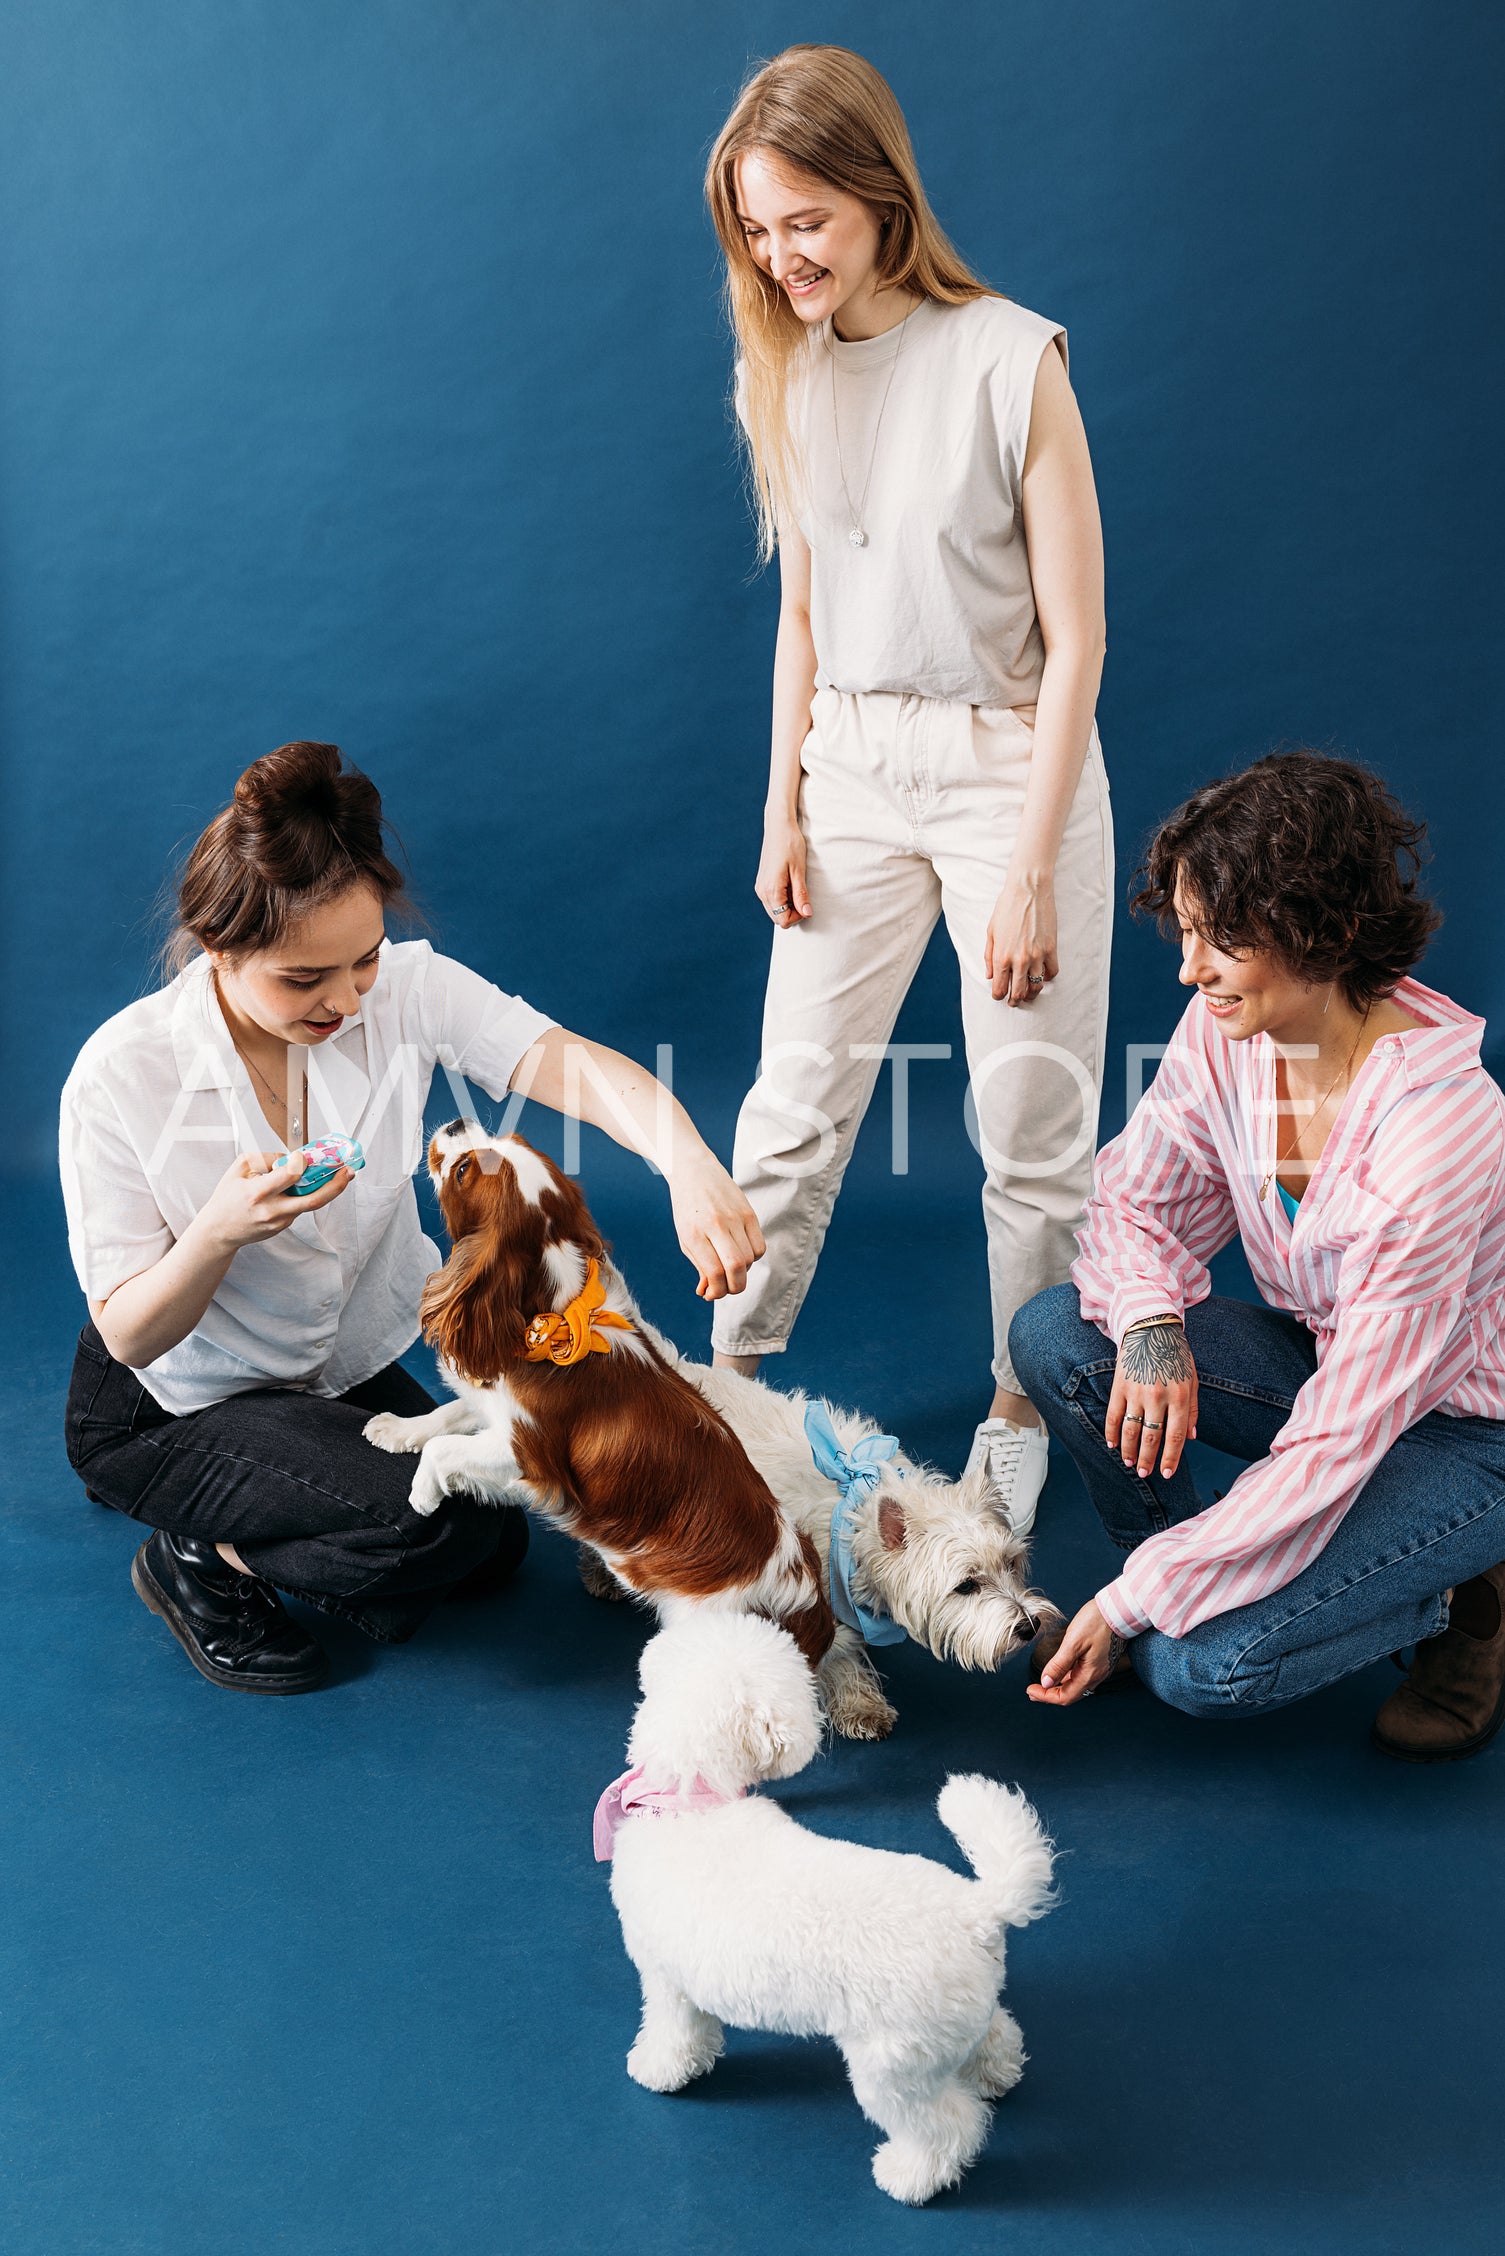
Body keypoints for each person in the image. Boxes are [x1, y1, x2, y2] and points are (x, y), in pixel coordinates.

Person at [60, 740, 763, 1695]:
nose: (345, 1001)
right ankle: (195, 1556)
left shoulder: (407, 990)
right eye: (303, 981)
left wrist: (686, 1161)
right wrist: (218, 1232)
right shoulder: (120, 1073)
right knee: (423, 1524)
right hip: (168, 1393)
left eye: (362, 962)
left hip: (321, 1363)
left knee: (494, 1541)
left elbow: (573, 1063)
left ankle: (257, 1507)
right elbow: (134, 1331)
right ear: (220, 952)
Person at [702, 45, 1114, 1537]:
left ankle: (1020, 1405)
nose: (781, 254)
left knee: (1028, 1119)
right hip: (849, 766)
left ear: (879, 196)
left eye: (804, 218)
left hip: (1011, 760)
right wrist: (782, 808)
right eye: (756, 227)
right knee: (793, 1105)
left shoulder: (1014, 359)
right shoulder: (790, 370)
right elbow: (802, 615)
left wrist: (1025, 862)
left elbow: (1079, 639)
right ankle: (731, 1389)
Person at [1010, 751, 1505, 1762]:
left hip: (1465, 1435)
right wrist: (1148, 1325)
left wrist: (1131, 1608)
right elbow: (1132, 1200)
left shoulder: (1440, 1133)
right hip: (1339, 1375)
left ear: (1323, 930)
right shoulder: (1223, 1029)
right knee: (1060, 1335)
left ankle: (1466, 1597)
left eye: (1220, 938)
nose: (1188, 968)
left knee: (1204, 1669)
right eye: (1187, 931)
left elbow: (1334, 1445)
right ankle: (1164, 1583)